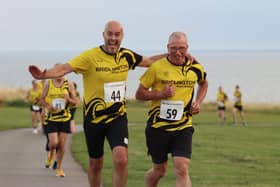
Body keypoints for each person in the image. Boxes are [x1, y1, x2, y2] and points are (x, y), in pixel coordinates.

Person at [28, 20, 166, 187]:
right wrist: (44, 75)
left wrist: (173, 55)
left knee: (121, 160)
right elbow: (65, 68)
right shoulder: (90, 56)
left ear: (122, 36)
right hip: (94, 119)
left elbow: (150, 61)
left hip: (117, 117)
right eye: (110, 34)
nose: (113, 38)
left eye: (117, 34)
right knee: (96, 163)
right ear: (103, 35)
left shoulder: (126, 56)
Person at [135, 32, 208, 187]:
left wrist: (198, 102)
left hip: (183, 126)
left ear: (187, 48)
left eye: (181, 48)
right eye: (173, 48)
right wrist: (161, 93)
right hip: (158, 127)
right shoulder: (157, 67)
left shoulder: (195, 67)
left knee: (182, 168)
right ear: (168, 48)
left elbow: (204, 83)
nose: (177, 52)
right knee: (159, 171)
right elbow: (139, 94)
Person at [40, 64, 77, 177]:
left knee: (61, 145)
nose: (60, 74)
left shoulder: (69, 84)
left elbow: (75, 101)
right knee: (54, 143)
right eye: (57, 71)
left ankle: (59, 168)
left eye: (62, 72)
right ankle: (51, 154)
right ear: (54, 72)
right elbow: (41, 99)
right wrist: (48, 106)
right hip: (51, 118)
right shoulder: (48, 83)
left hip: (65, 118)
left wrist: (68, 98)